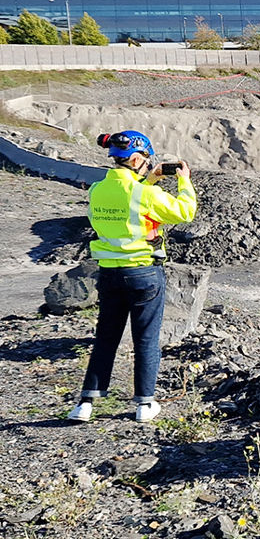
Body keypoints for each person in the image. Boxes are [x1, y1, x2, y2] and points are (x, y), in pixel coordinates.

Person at [69, 131, 197, 424]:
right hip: (143, 273)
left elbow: (127, 205)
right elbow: (185, 211)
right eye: (146, 161)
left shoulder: (97, 190)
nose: (148, 166)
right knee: (146, 339)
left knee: (106, 338)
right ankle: (144, 404)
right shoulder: (147, 194)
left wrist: (149, 180)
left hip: (109, 274)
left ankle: (85, 404)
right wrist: (183, 180)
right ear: (137, 159)